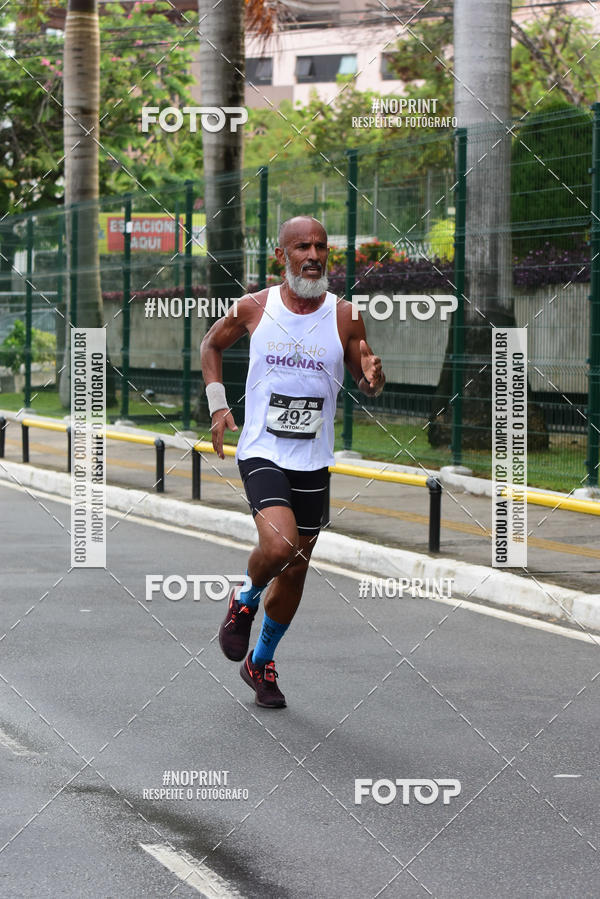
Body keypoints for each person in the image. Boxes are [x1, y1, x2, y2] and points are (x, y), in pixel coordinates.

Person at [200, 216, 385, 708]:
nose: (314, 255)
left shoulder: (345, 316)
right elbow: (211, 344)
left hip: (312, 457)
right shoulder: (254, 307)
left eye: (321, 247)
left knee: (296, 569)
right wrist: (218, 405)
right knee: (279, 544)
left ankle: (260, 661)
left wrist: (373, 377)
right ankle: (244, 600)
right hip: (263, 448)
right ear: (281, 256)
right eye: (302, 247)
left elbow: (365, 379)